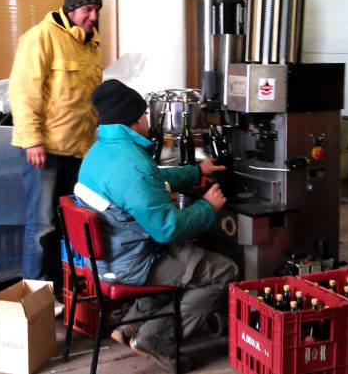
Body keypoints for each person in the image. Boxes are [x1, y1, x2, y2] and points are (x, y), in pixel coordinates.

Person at [74, 79, 239, 372]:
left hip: (107, 256)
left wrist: (195, 171)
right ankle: (156, 340)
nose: (149, 120)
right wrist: (207, 207)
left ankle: (130, 327)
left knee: (183, 259)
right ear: (137, 119)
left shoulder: (100, 151)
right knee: (223, 271)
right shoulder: (132, 165)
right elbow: (167, 229)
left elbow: (152, 180)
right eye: (146, 114)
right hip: (131, 262)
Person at [7, 0, 103, 313]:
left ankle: (61, 290)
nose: (94, 16)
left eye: (96, 10)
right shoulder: (41, 37)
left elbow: (87, 103)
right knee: (41, 225)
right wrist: (32, 139)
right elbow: (23, 93)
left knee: (67, 224)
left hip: (77, 151)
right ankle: (34, 299)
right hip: (45, 150)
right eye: (88, 10)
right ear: (71, 9)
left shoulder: (91, 44)